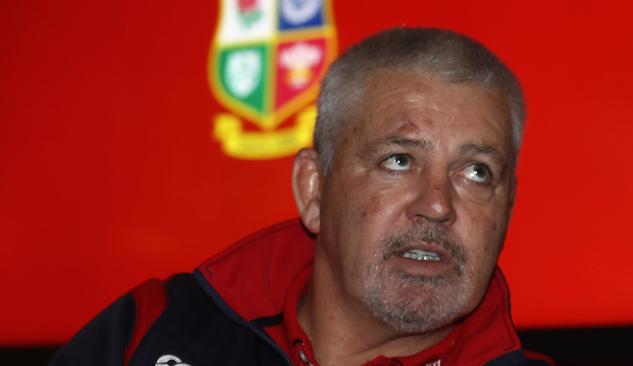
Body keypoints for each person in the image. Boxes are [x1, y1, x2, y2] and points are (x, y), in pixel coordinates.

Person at [50, 28, 552, 366]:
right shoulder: (152, 331)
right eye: (398, 160)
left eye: (477, 172)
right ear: (313, 188)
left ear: (507, 210)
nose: (438, 204)